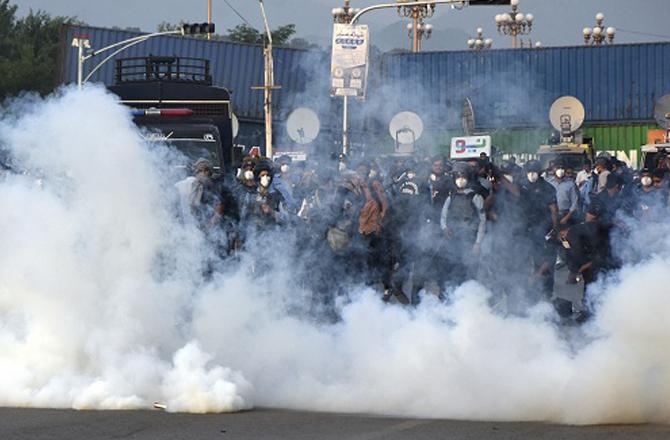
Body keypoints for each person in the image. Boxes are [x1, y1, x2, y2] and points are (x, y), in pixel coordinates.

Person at [440, 163, 486, 285]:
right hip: (454, 238)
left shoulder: (475, 197)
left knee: (470, 271)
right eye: (458, 177)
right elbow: (443, 216)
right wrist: (444, 228)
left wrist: (477, 243)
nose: (460, 180)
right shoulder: (451, 197)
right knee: (454, 271)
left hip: (470, 238)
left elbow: (482, 220)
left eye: (463, 177)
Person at [519, 160, 559, 301]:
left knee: (544, 261)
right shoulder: (522, 186)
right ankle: (528, 292)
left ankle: (546, 294)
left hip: (543, 230)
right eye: (529, 172)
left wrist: (555, 228)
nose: (532, 175)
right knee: (524, 261)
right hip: (524, 230)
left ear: (540, 173)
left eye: (534, 171)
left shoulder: (547, 188)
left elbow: (554, 210)